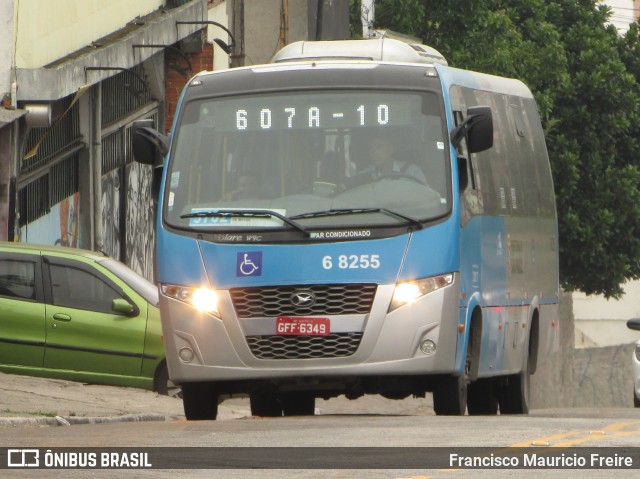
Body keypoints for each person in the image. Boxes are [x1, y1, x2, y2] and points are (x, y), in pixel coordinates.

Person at [359, 136, 427, 184]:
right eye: (371, 148)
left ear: (390, 149)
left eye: (379, 147)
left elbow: (425, 197)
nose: (374, 152)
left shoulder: (412, 171)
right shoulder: (363, 177)